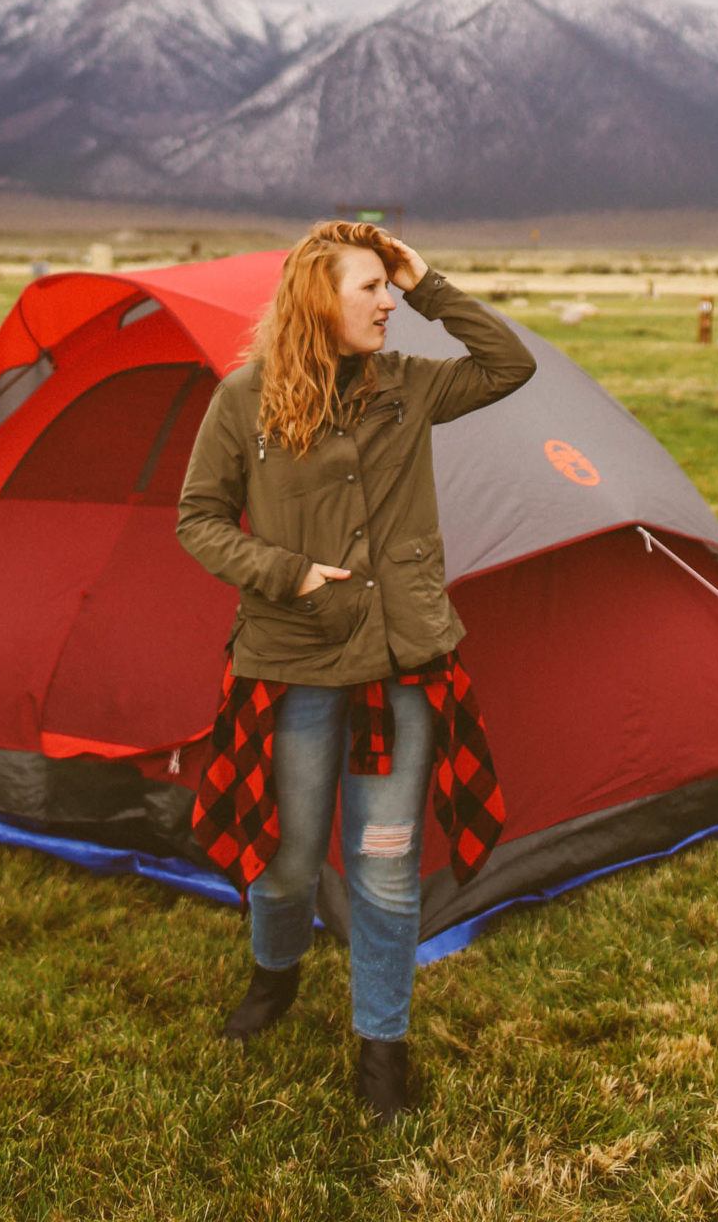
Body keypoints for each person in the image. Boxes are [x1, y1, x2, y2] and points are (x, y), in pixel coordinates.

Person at [175, 219, 538, 1123]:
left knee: (384, 867)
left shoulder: (408, 388)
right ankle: (274, 979)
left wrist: (429, 284)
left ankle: (383, 1046)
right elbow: (197, 518)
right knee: (289, 860)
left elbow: (509, 367)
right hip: (291, 659)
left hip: (403, 659)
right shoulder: (245, 399)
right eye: (369, 288)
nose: (387, 303)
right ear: (316, 301)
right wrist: (285, 571)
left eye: (389, 285)